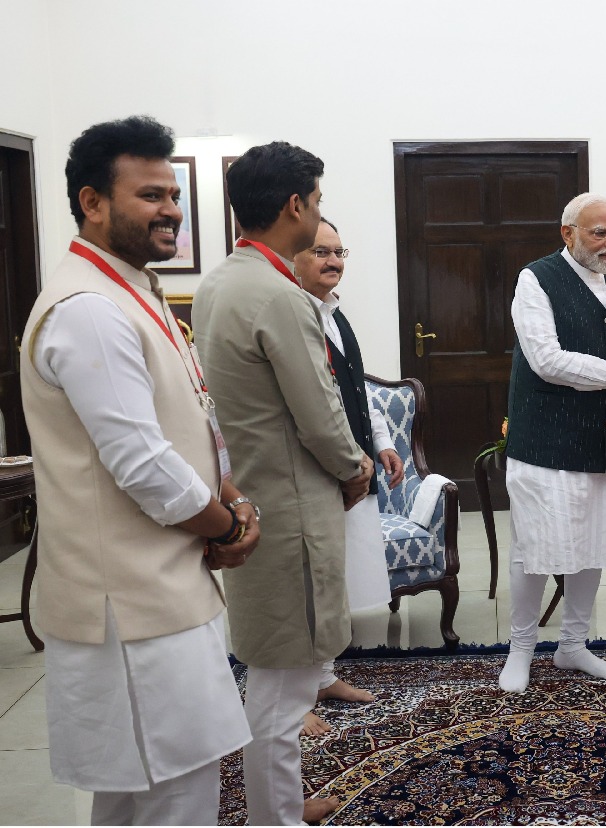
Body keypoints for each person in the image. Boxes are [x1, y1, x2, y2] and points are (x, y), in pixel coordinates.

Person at [20, 115, 256, 825]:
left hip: (159, 588)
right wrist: (227, 526)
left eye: (173, 194)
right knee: (173, 796)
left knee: (136, 796)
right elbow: (143, 463)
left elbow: (184, 414)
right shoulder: (89, 309)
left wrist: (228, 494)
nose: (172, 210)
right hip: (129, 604)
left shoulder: (132, 289)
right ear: (93, 202)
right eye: (150, 195)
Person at [194, 142, 373, 825]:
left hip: (254, 495)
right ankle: (277, 819)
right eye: (318, 201)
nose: (319, 214)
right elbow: (319, 415)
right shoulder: (278, 294)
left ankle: (282, 803)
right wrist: (355, 468)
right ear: (295, 205)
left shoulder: (219, 282)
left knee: (277, 670)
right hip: (292, 513)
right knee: (285, 685)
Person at [499, 193, 606, 693]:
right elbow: (547, 360)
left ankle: (573, 646)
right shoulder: (535, 279)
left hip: (605, 442)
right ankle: (521, 649)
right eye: (599, 233)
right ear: (567, 234)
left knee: (593, 544)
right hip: (545, 443)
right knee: (535, 547)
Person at [293, 218, 405, 735]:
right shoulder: (292, 315)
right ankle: (294, 700)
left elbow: (356, 391)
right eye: (321, 251)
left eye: (340, 251)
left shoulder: (336, 313)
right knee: (306, 589)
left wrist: (381, 443)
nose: (334, 261)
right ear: (294, 255)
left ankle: (323, 676)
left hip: (353, 469)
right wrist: (348, 460)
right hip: (315, 474)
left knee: (333, 584)